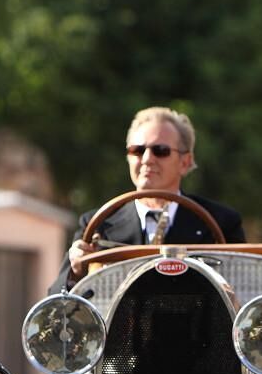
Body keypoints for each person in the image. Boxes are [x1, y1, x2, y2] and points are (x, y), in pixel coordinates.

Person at [50, 106, 245, 293]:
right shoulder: (97, 225)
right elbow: (56, 301)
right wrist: (76, 273)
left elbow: (246, 292)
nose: (146, 159)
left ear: (185, 163)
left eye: (160, 150)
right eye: (137, 150)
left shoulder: (222, 223)